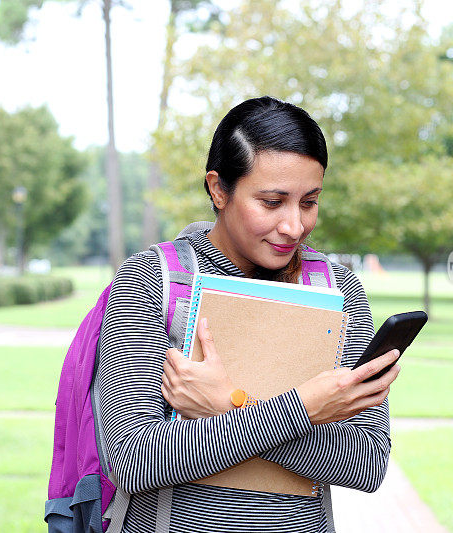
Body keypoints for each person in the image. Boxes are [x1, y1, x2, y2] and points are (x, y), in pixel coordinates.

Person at [97, 96, 401, 532]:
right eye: (273, 202)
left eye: (309, 202)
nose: (294, 226)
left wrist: (226, 404)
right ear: (219, 189)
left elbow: (366, 464)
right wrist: (304, 410)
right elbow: (131, 459)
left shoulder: (339, 288)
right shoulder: (153, 280)